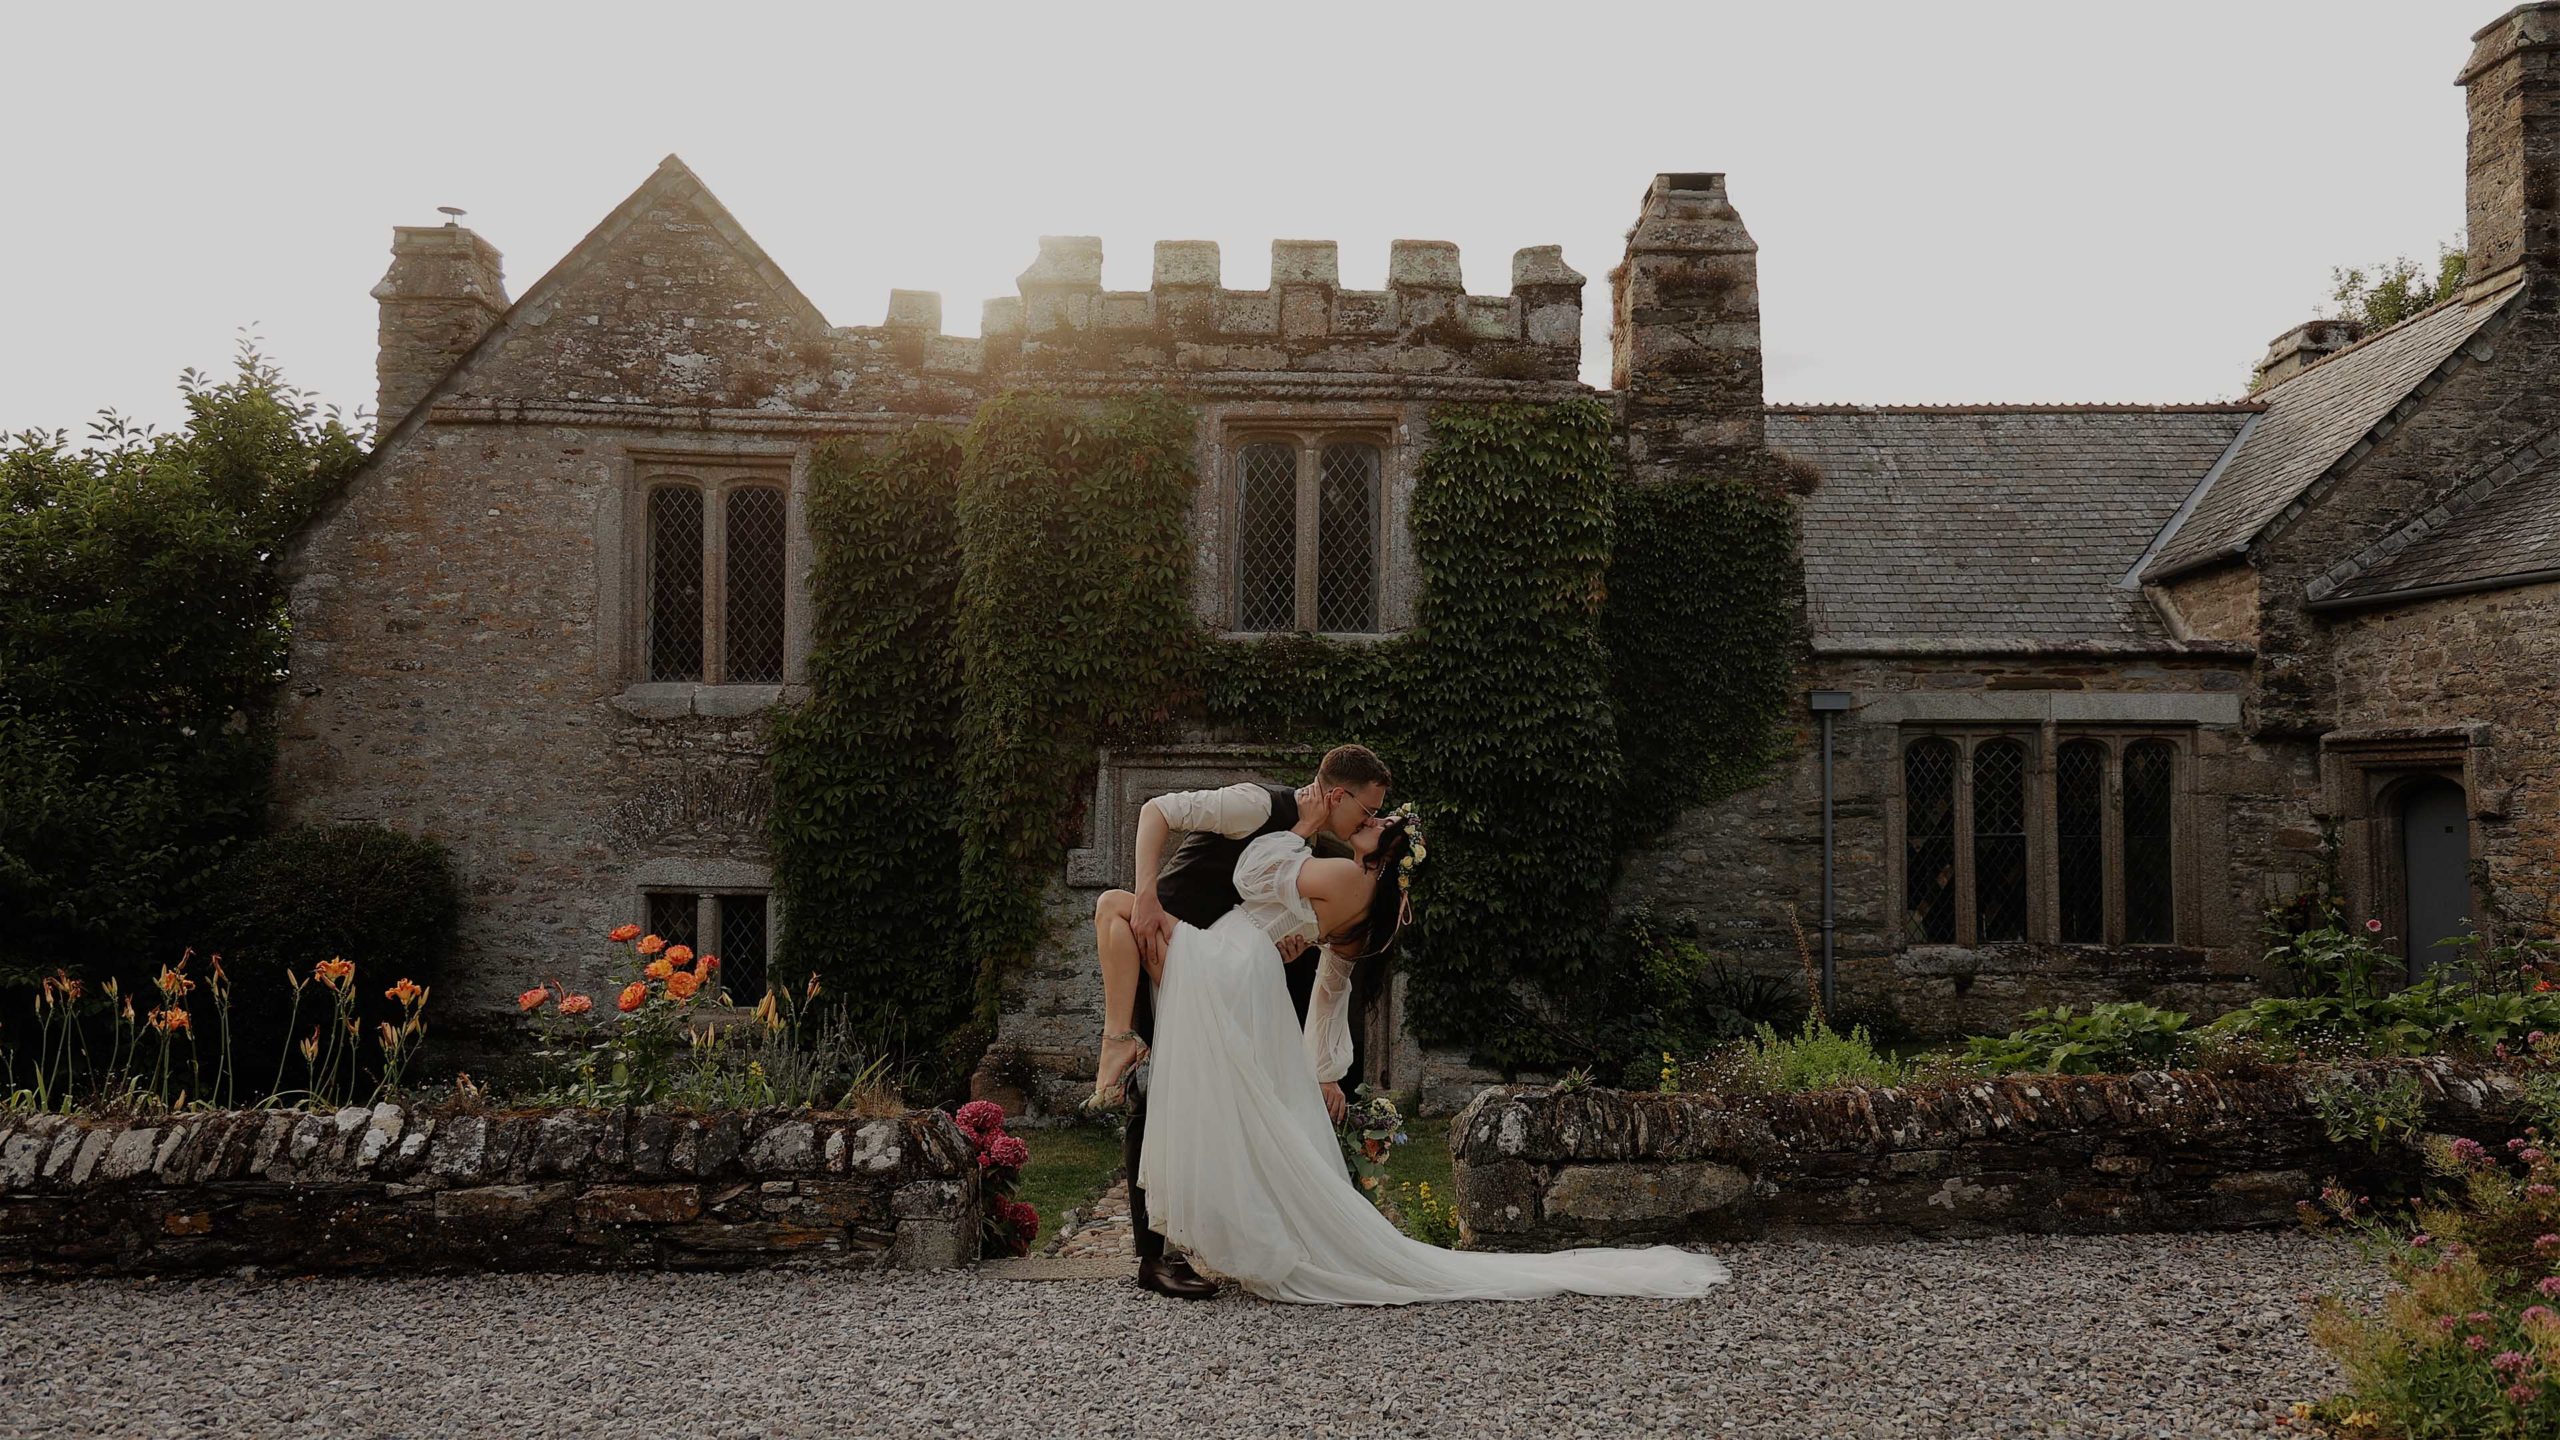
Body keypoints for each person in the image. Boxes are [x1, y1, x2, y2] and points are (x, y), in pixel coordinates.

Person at [1131, 809, 1731, 1305]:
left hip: (1239, 976)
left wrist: (1300, 823)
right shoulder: (1372, 911)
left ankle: (1197, 1219)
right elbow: (1330, 987)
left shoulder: (1340, 872)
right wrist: (1323, 1070)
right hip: (1258, 994)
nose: (1362, 821)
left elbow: (1253, 873)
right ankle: (1239, 1236)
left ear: (1378, 851)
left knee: (1220, 1098)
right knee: (1253, 1124)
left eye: (1370, 824)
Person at [1088, 744, 1391, 1299]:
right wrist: (1150, 896)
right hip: (1161, 941)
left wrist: (1281, 941)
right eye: (1366, 811)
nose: (1368, 822)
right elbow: (1156, 810)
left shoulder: (1317, 845)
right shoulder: (1257, 805)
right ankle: (1156, 1255)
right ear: (1337, 793)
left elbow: (1272, 908)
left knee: (1186, 1103)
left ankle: (1179, 1247)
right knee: (1152, 1100)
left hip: (1202, 961)